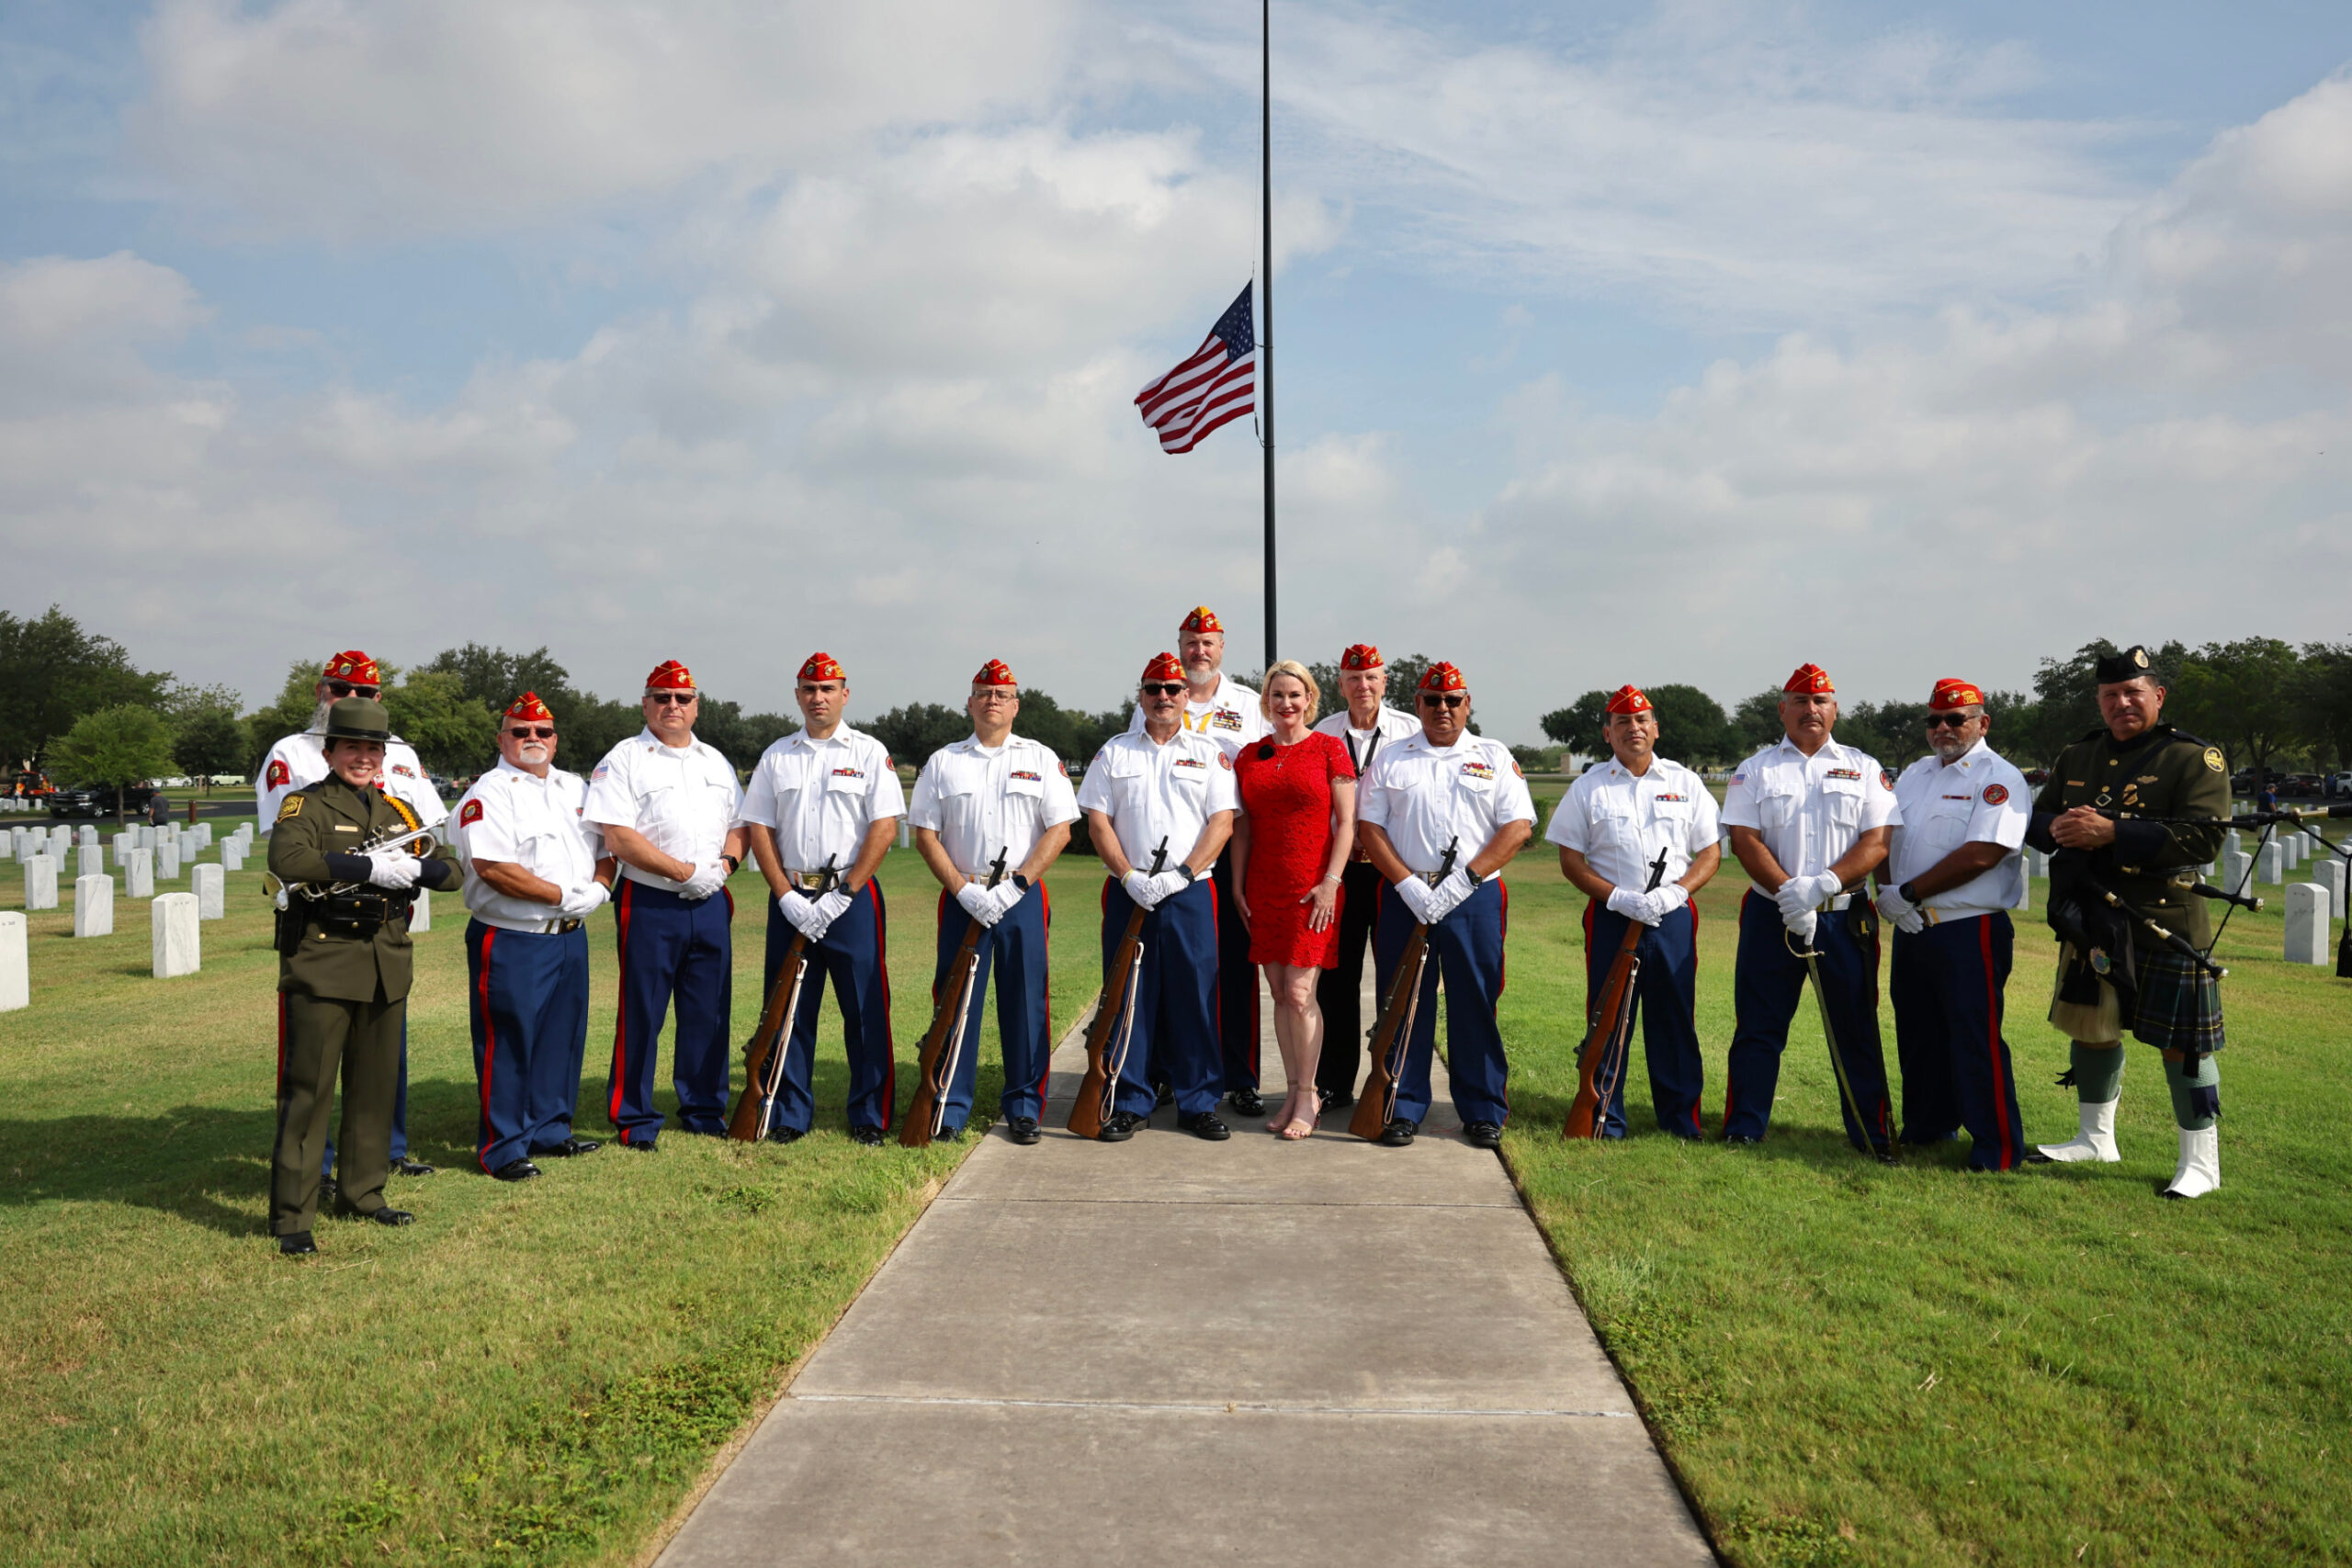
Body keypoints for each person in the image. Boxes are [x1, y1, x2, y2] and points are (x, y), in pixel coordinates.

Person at [2023, 645, 2231, 1199]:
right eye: (2111, 695)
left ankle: (2201, 1164)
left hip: (2164, 919)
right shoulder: (2079, 755)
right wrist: (2061, 826)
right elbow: (2037, 818)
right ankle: (2096, 1139)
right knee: (2092, 1031)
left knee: (2183, 1045)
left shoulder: (2193, 758)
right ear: (2099, 701)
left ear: (2157, 696)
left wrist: (2112, 832)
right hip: (2092, 915)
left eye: (2133, 692)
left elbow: (2206, 838)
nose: (2122, 703)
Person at [266, 697, 462, 1256]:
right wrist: (367, 866)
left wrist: (414, 869)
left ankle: (363, 1193)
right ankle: (292, 1216)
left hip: (385, 963)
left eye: (372, 749)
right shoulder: (304, 805)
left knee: (374, 1091)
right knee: (309, 1094)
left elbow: (451, 870)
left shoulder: (399, 811)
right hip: (324, 962)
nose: (363, 757)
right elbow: (290, 860)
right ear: (329, 751)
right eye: (352, 747)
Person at [1719, 663, 1901, 1155]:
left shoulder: (1865, 768)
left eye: (1820, 702)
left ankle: (1871, 1134)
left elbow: (1877, 841)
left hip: (1846, 916)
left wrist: (1822, 886)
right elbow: (1744, 838)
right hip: (1771, 914)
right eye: (1800, 702)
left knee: (1855, 1028)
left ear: (1835, 709)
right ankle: (1744, 1127)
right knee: (1759, 1026)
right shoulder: (1754, 769)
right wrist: (1788, 894)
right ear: (1783, 709)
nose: (1811, 710)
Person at [1355, 661, 1535, 1149]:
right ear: (1417, 705)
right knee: (1404, 1003)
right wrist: (1408, 883)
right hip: (1404, 895)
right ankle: (1401, 1106)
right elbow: (1368, 827)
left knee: (1474, 1001)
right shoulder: (1391, 759)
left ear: (1467, 704)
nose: (1442, 709)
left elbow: (1518, 827)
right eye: (1432, 700)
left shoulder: (1494, 756)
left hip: (1473, 898)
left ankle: (1480, 1111)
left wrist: (1467, 880)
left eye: (1452, 700)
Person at [906, 660, 1079, 1143]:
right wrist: (962, 889)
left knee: (1026, 1001)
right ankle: (950, 1104)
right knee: (957, 1000)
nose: (993, 700)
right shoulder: (944, 761)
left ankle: (1024, 1106)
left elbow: (1060, 830)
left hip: (1020, 897)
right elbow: (925, 834)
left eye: (1002, 694)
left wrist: (1016, 885)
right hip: (962, 895)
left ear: (1016, 704)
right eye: (984, 692)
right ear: (970, 702)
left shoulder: (1042, 758)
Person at [740, 653, 907, 1145]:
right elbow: (759, 828)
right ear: (797, 695)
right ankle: (790, 1111)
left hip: (850, 899)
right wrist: (784, 894)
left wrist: (847, 890)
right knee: (790, 1005)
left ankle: (869, 1114)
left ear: (844, 694)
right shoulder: (777, 756)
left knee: (865, 1007)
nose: (819, 698)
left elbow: (884, 826)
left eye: (828, 689)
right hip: (791, 895)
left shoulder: (869, 752)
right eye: (810, 690)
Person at [582, 660, 746, 1149]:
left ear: (696, 706)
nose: (672, 706)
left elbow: (741, 825)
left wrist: (725, 866)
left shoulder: (715, 761)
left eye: (682, 698)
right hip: (651, 901)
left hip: (712, 899)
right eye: (661, 697)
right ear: (645, 703)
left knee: (709, 1011)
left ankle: (703, 1108)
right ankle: (634, 1117)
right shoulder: (624, 758)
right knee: (643, 1011)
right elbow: (618, 837)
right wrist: (684, 872)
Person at [1544, 684, 1721, 1139]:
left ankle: (1681, 1121)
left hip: (1672, 916)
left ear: (1655, 729)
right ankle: (1604, 1116)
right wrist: (1616, 897)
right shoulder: (1588, 788)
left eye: (1642, 721)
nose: (1633, 729)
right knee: (1609, 1015)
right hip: (1611, 915)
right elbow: (1570, 859)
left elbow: (1709, 853)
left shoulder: (1686, 783)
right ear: (1608, 734)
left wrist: (1677, 893)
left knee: (1675, 1017)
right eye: (1622, 723)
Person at [451, 694, 616, 1181]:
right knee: (509, 1042)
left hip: (570, 935)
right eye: (520, 732)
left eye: (542, 732)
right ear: (502, 739)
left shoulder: (574, 787)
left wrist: (602, 889)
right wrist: (564, 896)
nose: (532, 740)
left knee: (561, 1038)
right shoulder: (490, 792)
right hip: (513, 936)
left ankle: (549, 1129)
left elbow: (608, 845)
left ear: (555, 739)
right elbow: (494, 867)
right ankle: (501, 1148)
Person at [1076, 651, 1240, 1141]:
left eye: (1172, 689)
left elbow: (1222, 822)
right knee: (1130, 996)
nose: (1164, 697)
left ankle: (1199, 1101)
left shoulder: (1210, 753)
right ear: (1141, 696)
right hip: (1130, 890)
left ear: (1187, 696)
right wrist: (1127, 875)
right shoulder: (1114, 752)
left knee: (1195, 995)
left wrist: (1183, 873)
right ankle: (1130, 1098)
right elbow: (1098, 820)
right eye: (1154, 689)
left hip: (1189, 892)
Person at [1876, 679, 2031, 1171]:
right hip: (1912, 924)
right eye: (1934, 720)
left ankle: (1997, 1147)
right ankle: (1927, 1127)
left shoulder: (1998, 778)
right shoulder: (1916, 775)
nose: (1943, 728)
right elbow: (1886, 837)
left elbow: (1983, 853)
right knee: (1918, 1031)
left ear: (1981, 723)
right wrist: (1888, 892)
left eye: (1955, 718)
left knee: (1974, 1037)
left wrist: (1906, 892)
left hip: (1969, 928)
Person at [1130, 606, 1271, 1115]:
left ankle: (1240, 1075)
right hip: (1166, 860)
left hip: (1234, 851)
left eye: (1208, 642)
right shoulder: (1159, 695)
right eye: (1191, 642)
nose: (1199, 651)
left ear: (1222, 646)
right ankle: (1168, 1072)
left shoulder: (1249, 705)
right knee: (1170, 971)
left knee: (1232, 968)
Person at [1231, 660, 1357, 1138]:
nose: (1286, 703)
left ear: (1310, 700)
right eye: (1277, 695)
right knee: (1280, 994)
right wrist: (1239, 886)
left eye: (1295, 694)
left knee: (1303, 993)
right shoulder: (1249, 755)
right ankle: (1291, 1092)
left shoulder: (1330, 750)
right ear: (1266, 701)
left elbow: (1347, 824)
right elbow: (1242, 828)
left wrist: (1331, 881)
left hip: (1314, 889)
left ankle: (1310, 1095)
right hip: (1264, 888)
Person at [1310, 643, 1421, 1110]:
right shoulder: (1323, 731)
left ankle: (1394, 1077)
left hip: (1391, 871)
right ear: (1341, 685)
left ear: (1385, 683)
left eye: (1372, 678)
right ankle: (1335, 1082)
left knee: (1397, 977)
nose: (1363, 687)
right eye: (1354, 679)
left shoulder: (1410, 730)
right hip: (1341, 874)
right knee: (1337, 981)